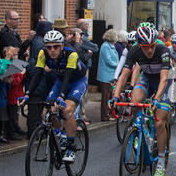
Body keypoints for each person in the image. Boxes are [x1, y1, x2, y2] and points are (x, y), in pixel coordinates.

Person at [110, 25, 172, 176]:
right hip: (147, 78)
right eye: (146, 47)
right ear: (139, 45)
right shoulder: (135, 51)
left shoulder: (162, 49)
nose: (150, 50)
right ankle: (138, 129)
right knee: (134, 101)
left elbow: (164, 79)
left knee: (159, 123)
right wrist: (116, 97)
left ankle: (160, 161)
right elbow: (124, 75)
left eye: (152, 46)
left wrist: (157, 99)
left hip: (164, 82)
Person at [21, 30, 88, 163]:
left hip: (76, 82)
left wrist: (61, 97)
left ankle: (70, 146)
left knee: (67, 110)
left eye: (55, 46)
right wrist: (27, 94)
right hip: (60, 81)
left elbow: (68, 77)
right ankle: (61, 135)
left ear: (62, 46)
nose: (52, 50)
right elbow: (37, 75)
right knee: (47, 111)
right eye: (49, 46)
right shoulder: (43, 53)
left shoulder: (71, 54)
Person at [97, 29, 119, 122]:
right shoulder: (105, 46)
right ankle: (105, 116)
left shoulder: (111, 46)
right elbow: (108, 60)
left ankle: (109, 113)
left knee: (109, 96)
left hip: (111, 74)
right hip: (105, 75)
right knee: (106, 96)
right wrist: (118, 65)